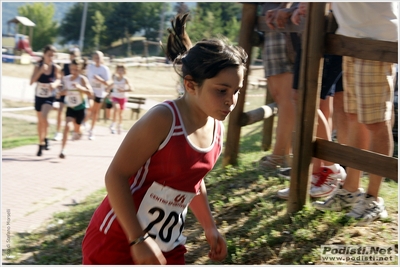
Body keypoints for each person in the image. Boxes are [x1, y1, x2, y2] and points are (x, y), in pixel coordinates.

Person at [81, 13, 247, 264]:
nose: (230, 100)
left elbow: (191, 181)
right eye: (221, 90)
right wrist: (138, 239)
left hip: (166, 245)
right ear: (191, 85)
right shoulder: (164, 119)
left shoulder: (216, 127)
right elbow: (115, 176)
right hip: (117, 240)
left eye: (236, 91)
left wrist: (209, 227)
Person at [313, 2, 398, 225]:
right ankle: (351, 190)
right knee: (354, 118)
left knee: (376, 121)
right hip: (351, 38)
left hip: (375, 38)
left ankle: (373, 199)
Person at [265, 3, 347, 199]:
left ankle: (328, 169)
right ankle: (318, 171)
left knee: (310, 101)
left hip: (330, 28)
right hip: (312, 30)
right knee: (301, 99)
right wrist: (296, 10)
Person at [258, 2, 297, 171]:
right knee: (280, 96)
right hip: (274, 26)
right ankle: (283, 153)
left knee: (285, 98)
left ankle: (279, 155)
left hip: (284, 27)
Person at [30, 44, 61, 156]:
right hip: (38, 97)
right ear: (44, 55)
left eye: (53, 56)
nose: (51, 58)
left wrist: (54, 84)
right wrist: (40, 71)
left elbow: (58, 79)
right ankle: (41, 142)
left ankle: (45, 139)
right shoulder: (38, 66)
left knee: (44, 116)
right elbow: (31, 82)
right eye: (49, 55)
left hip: (49, 97)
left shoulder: (56, 68)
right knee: (41, 121)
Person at [59, 58, 93, 159]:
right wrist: (61, 92)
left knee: (77, 130)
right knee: (67, 126)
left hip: (80, 108)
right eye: (72, 69)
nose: (74, 72)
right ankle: (63, 150)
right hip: (70, 107)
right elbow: (64, 91)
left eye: (76, 70)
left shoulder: (82, 79)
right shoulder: (66, 79)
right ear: (69, 68)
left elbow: (90, 93)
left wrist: (80, 88)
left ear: (80, 69)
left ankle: (80, 129)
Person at [53, 47, 81, 141]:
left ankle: (75, 130)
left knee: (75, 115)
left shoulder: (80, 67)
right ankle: (58, 132)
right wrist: (59, 84)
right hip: (65, 91)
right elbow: (61, 77)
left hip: (75, 95)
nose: (73, 57)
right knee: (60, 111)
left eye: (75, 55)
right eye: (72, 55)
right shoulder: (65, 66)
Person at [86, 50, 111, 140]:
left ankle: (92, 130)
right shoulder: (90, 67)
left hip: (99, 93)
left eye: (99, 57)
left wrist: (100, 80)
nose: (97, 59)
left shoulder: (105, 69)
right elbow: (86, 78)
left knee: (95, 112)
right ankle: (84, 122)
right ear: (93, 58)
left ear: (102, 59)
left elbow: (108, 83)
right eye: (95, 57)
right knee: (89, 107)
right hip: (90, 92)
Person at [108, 64, 133, 134]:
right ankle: (113, 125)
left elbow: (131, 88)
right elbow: (112, 84)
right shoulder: (114, 78)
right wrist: (108, 89)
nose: (120, 71)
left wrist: (123, 91)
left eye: (122, 70)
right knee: (116, 108)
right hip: (115, 97)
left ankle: (120, 125)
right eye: (119, 70)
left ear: (124, 71)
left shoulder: (125, 79)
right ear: (117, 70)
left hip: (122, 97)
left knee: (120, 114)